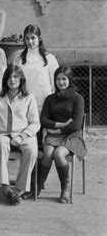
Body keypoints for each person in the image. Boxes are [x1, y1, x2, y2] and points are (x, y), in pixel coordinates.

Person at [0, 64, 40, 205]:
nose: (12, 80)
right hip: (3, 133)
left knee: (31, 151)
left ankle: (19, 190)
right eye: (9, 77)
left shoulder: (29, 97)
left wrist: (22, 136)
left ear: (21, 79)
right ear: (5, 79)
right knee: (0, 145)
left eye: (15, 77)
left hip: (24, 134)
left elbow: (35, 123)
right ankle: (5, 187)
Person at [38, 66, 86, 203]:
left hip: (72, 136)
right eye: (58, 79)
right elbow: (43, 120)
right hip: (53, 135)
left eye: (64, 79)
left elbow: (76, 125)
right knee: (47, 154)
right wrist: (59, 125)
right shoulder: (50, 99)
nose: (61, 82)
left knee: (58, 154)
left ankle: (65, 189)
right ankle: (39, 186)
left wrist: (57, 130)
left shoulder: (78, 99)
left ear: (69, 80)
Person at [14, 24, 59, 114]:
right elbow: (15, 79)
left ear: (39, 38)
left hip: (45, 100)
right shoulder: (18, 59)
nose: (30, 41)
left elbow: (55, 81)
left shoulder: (49, 58)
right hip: (25, 99)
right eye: (27, 38)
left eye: (33, 38)